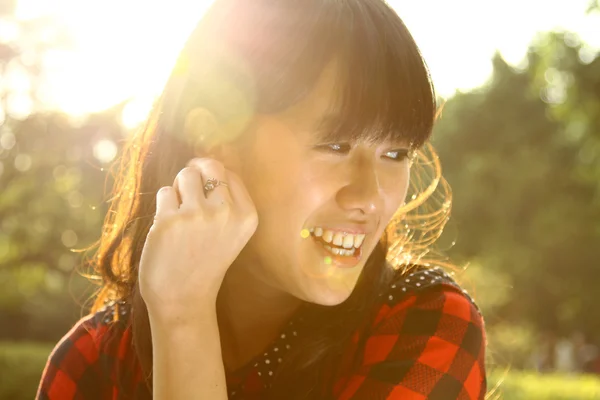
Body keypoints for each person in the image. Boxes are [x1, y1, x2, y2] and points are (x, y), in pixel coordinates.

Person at [36, 0, 487, 399]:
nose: (371, 198)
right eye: (335, 145)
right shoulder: (93, 363)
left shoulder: (426, 326)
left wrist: (183, 317)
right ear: (215, 141)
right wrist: (179, 311)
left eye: (396, 153)